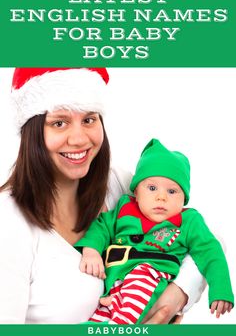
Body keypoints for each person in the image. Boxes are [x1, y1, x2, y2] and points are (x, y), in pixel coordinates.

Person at [0, 67, 204, 324]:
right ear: (32, 132)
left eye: (89, 119)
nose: (78, 138)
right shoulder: (7, 223)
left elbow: (204, 236)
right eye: (59, 123)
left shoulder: (116, 184)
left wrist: (177, 295)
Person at [77, 138, 234, 324]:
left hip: (152, 277)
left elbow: (210, 251)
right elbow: (101, 226)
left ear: (184, 198)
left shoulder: (188, 220)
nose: (161, 197)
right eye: (152, 188)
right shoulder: (124, 208)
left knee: (138, 285)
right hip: (116, 283)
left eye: (172, 191)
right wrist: (91, 250)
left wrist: (221, 289)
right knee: (100, 317)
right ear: (136, 192)